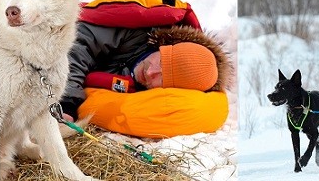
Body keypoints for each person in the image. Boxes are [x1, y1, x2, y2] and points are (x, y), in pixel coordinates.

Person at [59, 19, 229, 122]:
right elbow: (77, 44)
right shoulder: (134, 31)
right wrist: (68, 102)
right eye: (161, 62)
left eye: (161, 79)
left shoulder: (148, 98)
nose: (150, 73)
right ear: (164, 46)